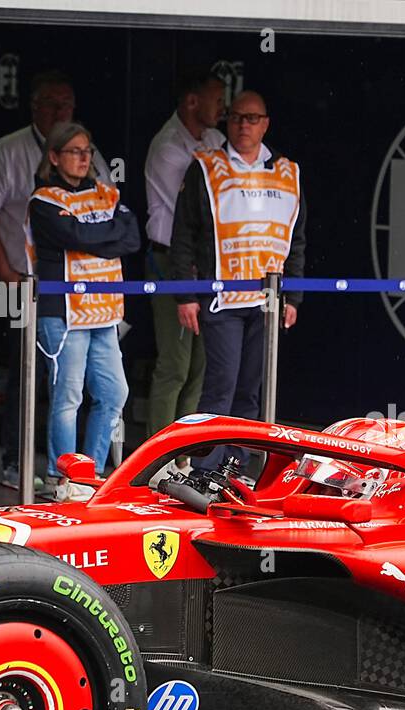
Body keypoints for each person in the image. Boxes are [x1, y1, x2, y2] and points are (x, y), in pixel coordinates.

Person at [0, 70, 111, 489]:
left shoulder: (89, 152)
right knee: (26, 375)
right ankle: (17, 460)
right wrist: (3, 270)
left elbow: (112, 213)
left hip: (82, 289)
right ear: (34, 107)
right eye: (51, 104)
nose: (59, 112)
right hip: (29, 282)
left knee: (81, 382)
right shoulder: (9, 150)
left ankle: (81, 471)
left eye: (66, 105)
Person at [168, 90, 305, 469]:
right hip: (222, 300)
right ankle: (202, 471)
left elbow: (295, 238)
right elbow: (183, 234)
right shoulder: (206, 167)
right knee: (220, 388)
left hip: (267, 302)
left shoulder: (287, 171)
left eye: (252, 118)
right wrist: (185, 294)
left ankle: (236, 469)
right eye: (237, 117)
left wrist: (292, 297)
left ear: (266, 123)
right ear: (227, 122)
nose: (244, 125)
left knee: (249, 392)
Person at [25, 122, 139, 501]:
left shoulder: (108, 192)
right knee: (68, 397)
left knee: (114, 393)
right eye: (74, 151)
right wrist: (106, 235)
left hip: (104, 312)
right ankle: (62, 478)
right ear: (54, 157)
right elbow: (75, 237)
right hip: (63, 311)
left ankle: (91, 474)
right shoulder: (43, 200)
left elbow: (132, 238)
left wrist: (96, 237)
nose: (83, 158)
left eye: (87, 151)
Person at [144, 69, 226, 447]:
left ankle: (183, 457)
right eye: (217, 99)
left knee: (200, 367)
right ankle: (154, 461)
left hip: (208, 267)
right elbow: (195, 213)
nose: (223, 108)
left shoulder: (214, 139)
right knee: (175, 365)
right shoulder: (168, 146)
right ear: (193, 101)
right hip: (170, 263)